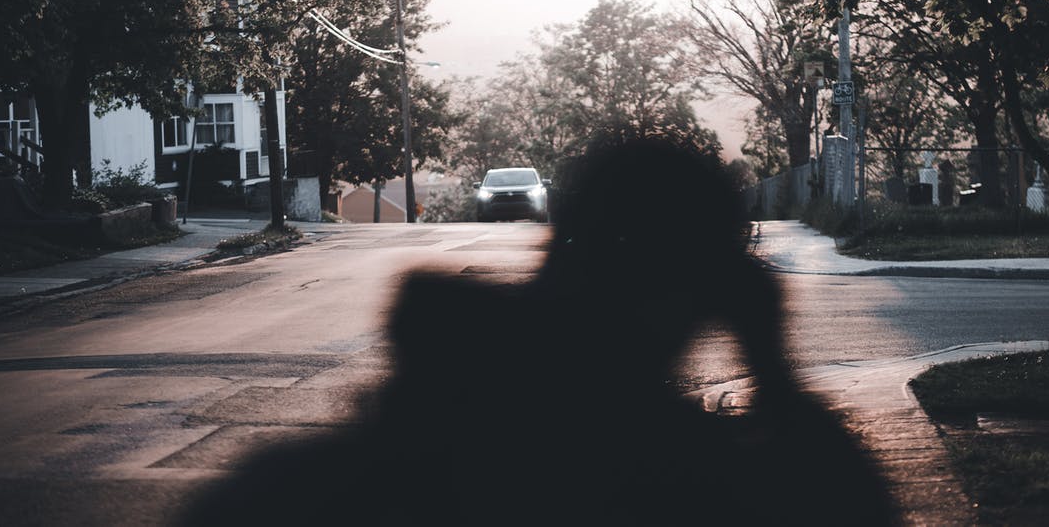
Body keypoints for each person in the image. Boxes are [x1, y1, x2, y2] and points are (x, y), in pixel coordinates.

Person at [182, 138, 896, 526]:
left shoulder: (332, 479)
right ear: (712, 295)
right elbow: (849, 506)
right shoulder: (711, 484)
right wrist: (773, 369)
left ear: (558, 248)